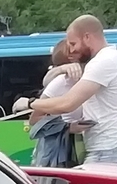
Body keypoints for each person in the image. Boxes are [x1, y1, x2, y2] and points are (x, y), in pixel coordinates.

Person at [16, 15, 117, 184]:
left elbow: (67, 103)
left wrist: (29, 103)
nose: (70, 49)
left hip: (107, 149)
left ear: (87, 37)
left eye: (73, 43)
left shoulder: (102, 62)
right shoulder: (115, 58)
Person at [22, 38, 82, 169]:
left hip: (81, 143)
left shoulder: (88, 79)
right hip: (61, 148)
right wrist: (68, 127)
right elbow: (35, 119)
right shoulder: (61, 81)